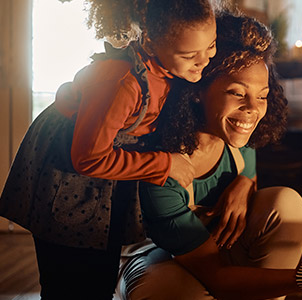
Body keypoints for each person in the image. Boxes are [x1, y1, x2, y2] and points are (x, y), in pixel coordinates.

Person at [118, 10, 302, 300]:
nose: (252, 109)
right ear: (198, 91)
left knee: (288, 205)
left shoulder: (237, 139)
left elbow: (249, 173)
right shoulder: (164, 170)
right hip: (157, 258)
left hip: (218, 249)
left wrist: (245, 183)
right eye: (237, 93)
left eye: (262, 95)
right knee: (169, 292)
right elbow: (218, 279)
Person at [0, 0, 216, 299]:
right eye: (189, 54)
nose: (203, 61)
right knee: (72, 282)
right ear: (150, 42)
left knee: (99, 279)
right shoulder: (121, 82)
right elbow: (88, 158)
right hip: (68, 184)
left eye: (211, 47)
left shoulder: (171, 71)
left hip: (106, 188)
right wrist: (165, 164)